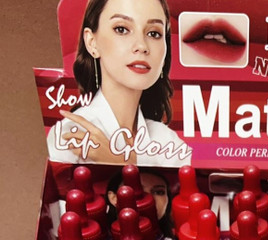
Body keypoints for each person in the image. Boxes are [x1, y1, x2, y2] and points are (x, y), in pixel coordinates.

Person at [47, 0, 191, 167]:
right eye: (121, 29)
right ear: (92, 42)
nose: (142, 46)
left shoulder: (169, 143)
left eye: (154, 33)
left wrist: (118, 162)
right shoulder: (72, 135)